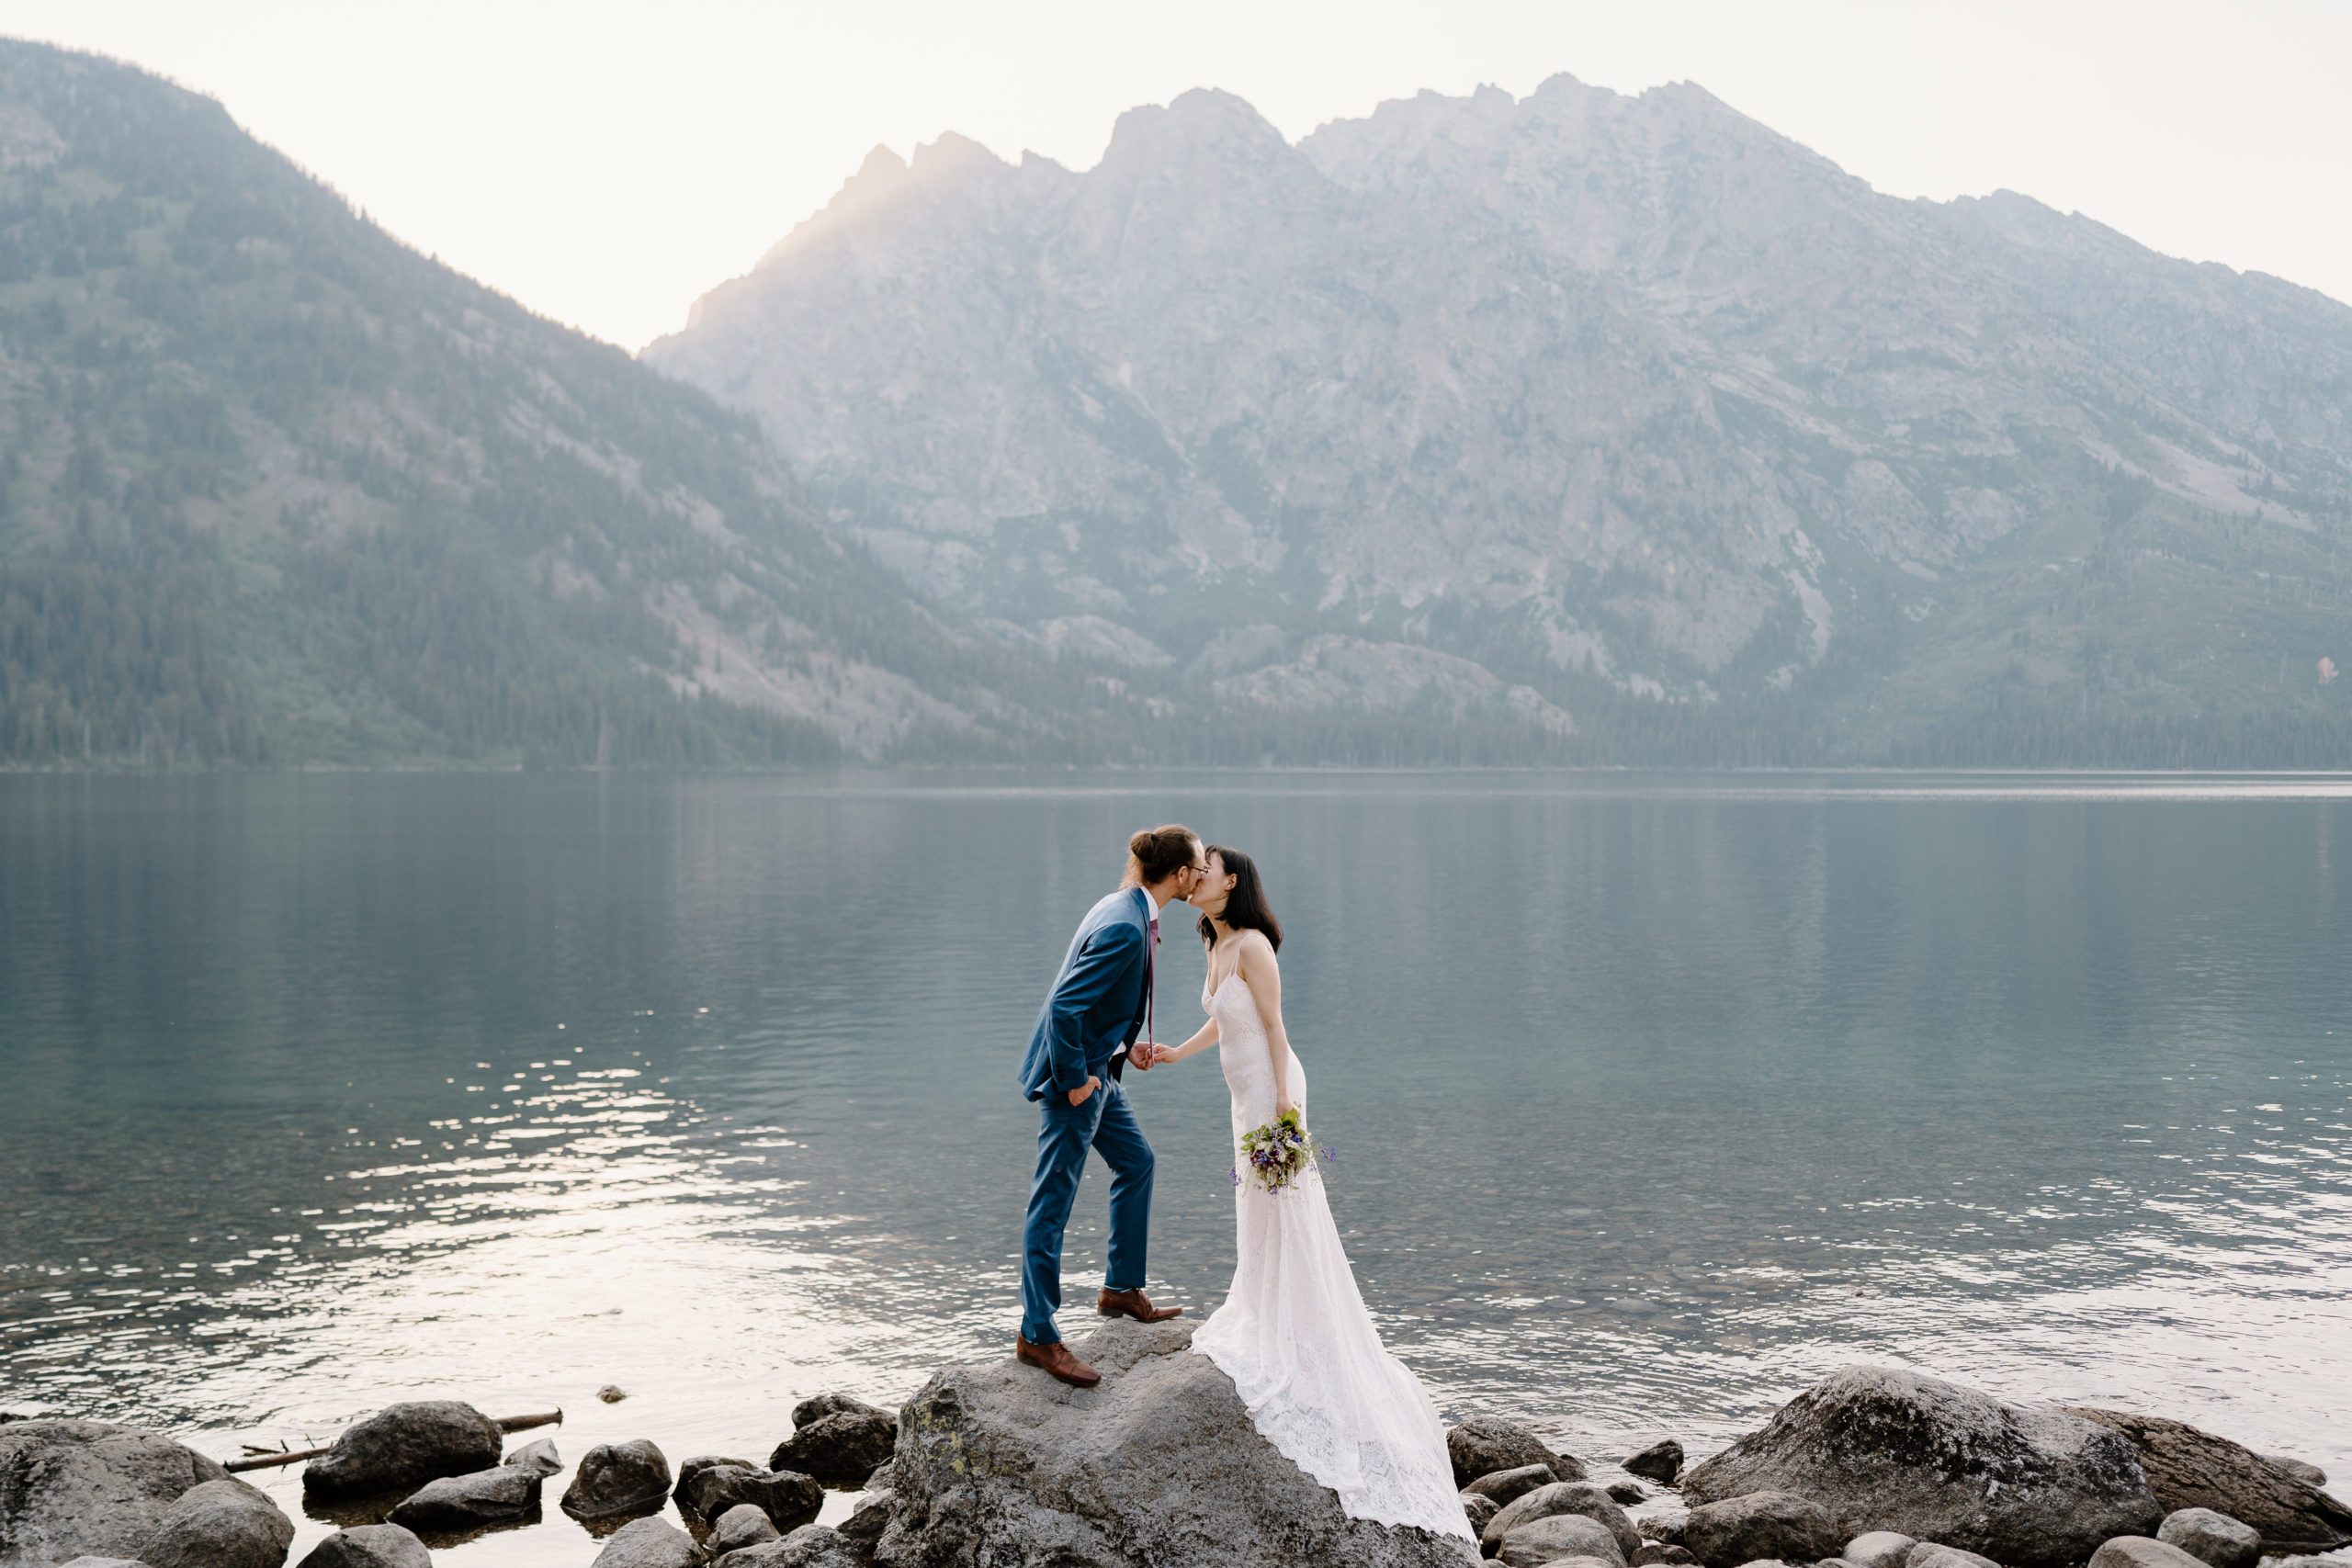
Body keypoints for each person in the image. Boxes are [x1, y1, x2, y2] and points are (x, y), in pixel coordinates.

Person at [1149, 846, 1476, 1542]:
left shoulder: (1256, 945)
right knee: (1255, 1215)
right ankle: (1269, 1312)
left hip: (1272, 1098)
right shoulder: (1213, 938)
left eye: (1206, 866)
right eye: (1195, 866)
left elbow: (1272, 1030)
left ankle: (1302, 1341)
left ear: (1232, 880)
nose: (1196, 873)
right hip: (1242, 1101)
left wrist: (1289, 1124)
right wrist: (1178, 1051)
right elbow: (1227, 1021)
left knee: (1287, 1212)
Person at [1012, 823, 1204, 1388]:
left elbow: (1096, 1004)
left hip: (1101, 1067)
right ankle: (1037, 1335)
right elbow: (1064, 1009)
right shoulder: (1125, 925)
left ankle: (1121, 1289)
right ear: (1179, 874)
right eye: (1197, 867)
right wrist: (1075, 1080)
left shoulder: (1122, 905)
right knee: (1052, 1203)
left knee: (1136, 1161)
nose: (1200, 875)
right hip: (1077, 1079)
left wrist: (1125, 1045)